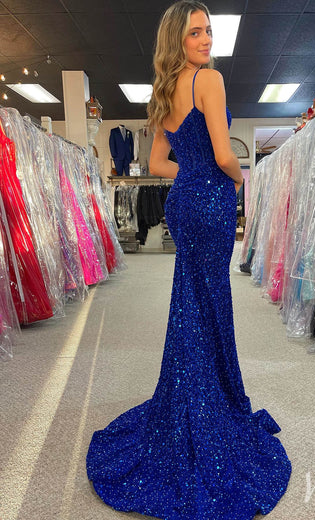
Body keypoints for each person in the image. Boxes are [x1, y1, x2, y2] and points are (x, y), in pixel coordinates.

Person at [86, 2, 291, 519]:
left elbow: (158, 163)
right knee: (209, 301)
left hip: (184, 205)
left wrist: (193, 176)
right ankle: (209, 405)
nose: (206, 40)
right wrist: (241, 180)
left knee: (191, 304)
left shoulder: (164, 91)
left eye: (209, 31)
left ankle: (191, 398)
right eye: (196, 32)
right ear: (177, 38)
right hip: (213, 203)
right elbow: (224, 154)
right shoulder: (209, 80)